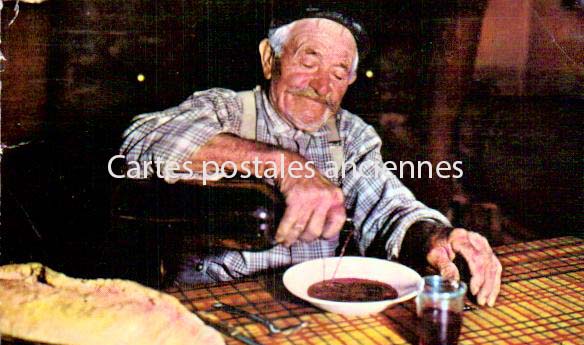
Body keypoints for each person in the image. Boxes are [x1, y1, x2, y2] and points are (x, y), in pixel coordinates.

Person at [120, 9, 502, 306]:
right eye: (309, 62)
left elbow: (390, 209)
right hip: (216, 305)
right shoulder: (225, 110)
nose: (323, 86)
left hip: (313, 310)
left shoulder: (349, 134)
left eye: (339, 72)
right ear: (270, 59)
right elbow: (140, 142)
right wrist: (283, 165)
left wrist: (436, 236)